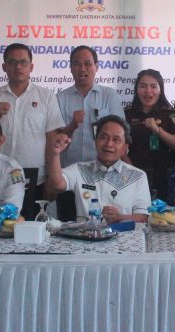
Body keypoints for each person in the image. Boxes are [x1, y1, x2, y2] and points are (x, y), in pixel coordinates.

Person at [0, 43, 64, 220]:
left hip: (36, 179)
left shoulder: (46, 96)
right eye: (12, 62)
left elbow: (52, 139)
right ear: (4, 67)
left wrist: (51, 177)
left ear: (31, 67)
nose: (18, 67)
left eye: (23, 62)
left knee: (33, 228)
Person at [55, 46, 123, 220]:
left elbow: (121, 133)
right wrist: (72, 126)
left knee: (105, 225)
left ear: (96, 67)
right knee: (68, 226)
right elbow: (55, 138)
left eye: (87, 64)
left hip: (104, 177)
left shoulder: (109, 96)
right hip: (70, 177)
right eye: (77, 64)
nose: (82, 69)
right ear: (71, 68)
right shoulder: (60, 98)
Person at [46, 115, 151, 223]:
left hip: (124, 233)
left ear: (125, 147)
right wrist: (55, 153)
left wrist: (120, 217)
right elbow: (57, 184)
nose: (109, 144)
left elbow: (144, 217)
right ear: (95, 141)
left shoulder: (138, 176)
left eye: (116, 140)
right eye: (103, 137)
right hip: (86, 233)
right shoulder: (79, 169)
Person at [123, 69, 175, 201]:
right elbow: (120, 145)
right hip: (132, 171)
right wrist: (131, 170)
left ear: (160, 90)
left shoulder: (169, 113)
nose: (148, 91)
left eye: (154, 86)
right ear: (137, 89)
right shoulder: (127, 113)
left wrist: (157, 129)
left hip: (161, 175)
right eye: (143, 86)